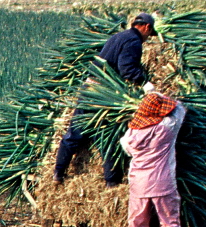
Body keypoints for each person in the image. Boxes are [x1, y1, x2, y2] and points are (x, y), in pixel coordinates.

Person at [53, 12, 159, 184]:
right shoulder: (134, 41)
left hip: (89, 89)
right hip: (102, 94)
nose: (147, 39)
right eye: (149, 34)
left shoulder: (118, 36)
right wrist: (144, 83)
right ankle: (112, 183)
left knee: (75, 132)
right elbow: (127, 69)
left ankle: (58, 173)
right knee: (106, 137)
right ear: (147, 27)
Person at [120, 88, 188, 227]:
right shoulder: (166, 128)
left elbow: (127, 150)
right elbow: (180, 109)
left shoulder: (130, 135)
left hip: (139, 185)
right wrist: (159, 93)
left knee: (136, 223)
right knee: (169, 222)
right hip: (162, 183)